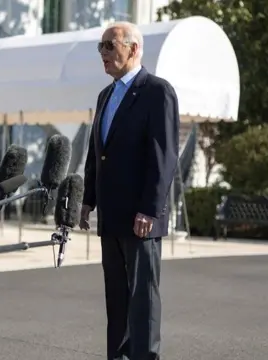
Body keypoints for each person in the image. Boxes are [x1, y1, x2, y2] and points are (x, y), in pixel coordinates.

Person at [79, 22, 179, 360]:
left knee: (143, 302)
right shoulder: (104, 95)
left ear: (133, 48)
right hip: (112, 216)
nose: (103, 54)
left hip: (141, 219)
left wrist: (150, 209)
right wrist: (87, 200)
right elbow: (97, 153)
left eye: (109, 45)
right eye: (101, 47)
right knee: (117, 302)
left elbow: (163, 156)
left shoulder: (156, 91)